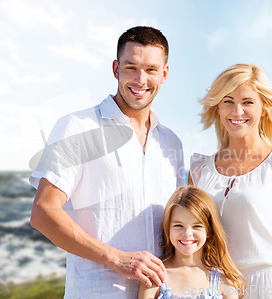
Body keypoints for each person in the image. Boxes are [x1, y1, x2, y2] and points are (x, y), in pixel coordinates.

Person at [29, 26, 185, 298]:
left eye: (150, 69)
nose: (140, 79)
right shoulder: (78, 127)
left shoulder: (171, 143)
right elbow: (43, 212)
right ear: (115, 69)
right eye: (130, 68)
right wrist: (117, 258)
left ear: (164, 74)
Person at [189, 64, 272, 299]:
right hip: (214, 286)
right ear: (217, 107)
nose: (237, 111)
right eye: (227, 101)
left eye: (247, 102)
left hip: (270, 286)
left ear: (264, 108)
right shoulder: (198, 170)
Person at [138, 186, 245, 299]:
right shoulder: (154, 278)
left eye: (197, 226)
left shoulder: (225, 282)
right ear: (168, 229)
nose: (187, 233)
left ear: (209, 230)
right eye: (178, 225)